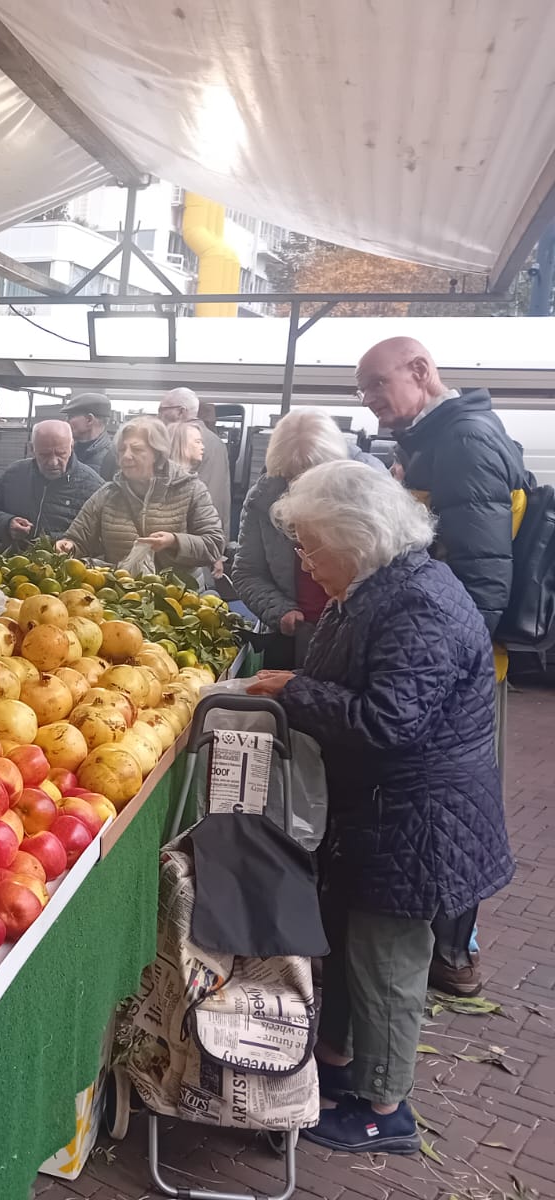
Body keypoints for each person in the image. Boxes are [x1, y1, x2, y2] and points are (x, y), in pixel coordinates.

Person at [246, 461, 512, 1154]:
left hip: (416, 821)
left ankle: (384, 1109)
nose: (303, 562)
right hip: (379, 814)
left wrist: (293, 691)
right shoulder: (375, 588)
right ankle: (337, 1067)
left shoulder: (418, 603)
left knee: (389, 964)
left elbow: (390, 720)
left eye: (310, 545)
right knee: (352, 945)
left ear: (355, 537)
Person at [357, 335, 534, 997]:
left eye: (377, 385)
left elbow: (484, 582)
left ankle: (456, 956)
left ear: (421, 372)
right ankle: (449, 948)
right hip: (451, 661)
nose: (371, 402)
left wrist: (430, 672)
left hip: (462, 669)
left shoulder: (463, 443)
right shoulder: (435, 440)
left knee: (454, 806)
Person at [234, 411, 385, 668]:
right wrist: (280, 611)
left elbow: (390, 571)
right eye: (291, 475)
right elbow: (247, 571)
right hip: (294, 637)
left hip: (357, 636)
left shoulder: (371, 484)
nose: (301, 484)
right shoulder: (262, 498)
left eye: (314, 472)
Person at [56, 416, 224, 584]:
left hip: (180, 598)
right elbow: (77, 539)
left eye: (136, 449)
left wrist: (174, 541)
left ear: (157, 454)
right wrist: (68, 545)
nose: (127, 456)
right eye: (122, 450)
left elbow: (214, 545)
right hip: (124, 599)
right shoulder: (107, 494)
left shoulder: (190, 489)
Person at [0, 419, 102, 547]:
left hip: (67, 566)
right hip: (13, 564)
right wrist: (7, 523)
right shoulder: (15, 474)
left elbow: (102, 538)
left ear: (71, 446)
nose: (53, 462)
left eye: (61, 454)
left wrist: (64, 542)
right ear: (31, 448)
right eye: (44, 454)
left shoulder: (93, 486)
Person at [159, 387, 232, 534]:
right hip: (213, 528)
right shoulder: (216, 441)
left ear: (181, 411)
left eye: (162, 410)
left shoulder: (177, 439)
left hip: (187, 534)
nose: (159, 415)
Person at [58, 392, 115, 478]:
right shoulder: (68, 451)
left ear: (89, 420)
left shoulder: (113, 458)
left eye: (70, 417)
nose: (65, 422)